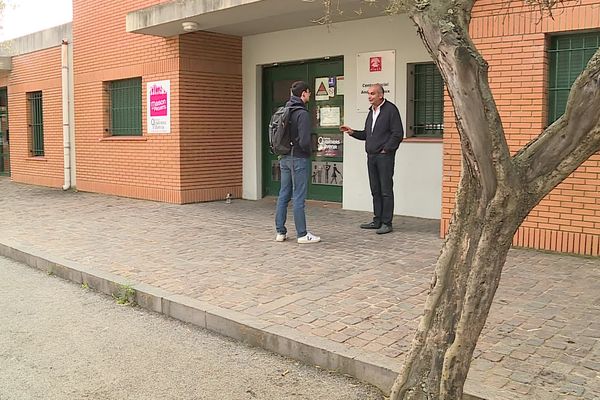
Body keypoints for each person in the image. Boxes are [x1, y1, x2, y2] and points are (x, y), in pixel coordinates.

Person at [340, 83, 404, 234]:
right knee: (375, 189)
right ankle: (377, 220)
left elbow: (397, 134)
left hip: (384, 157)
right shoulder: (371, 112)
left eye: (373, 94)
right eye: (368, 93)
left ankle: (387, 223)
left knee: (386, 190)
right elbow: (368, 135)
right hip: (371, 156)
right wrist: (352, 132)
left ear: (381, 95)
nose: (369, 96)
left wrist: (386, 149)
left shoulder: (390, 110)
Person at [275, 81, 321, 244]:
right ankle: (302, 234)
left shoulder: (285, 110)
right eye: (309, 93)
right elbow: (304, 140)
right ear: (303, 94)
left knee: (283, 194)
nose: (309, 95)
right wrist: (309, 151)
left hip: (284, 158)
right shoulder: (302, 113)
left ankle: (280, 232)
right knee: (299, 196)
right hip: (298, 158)